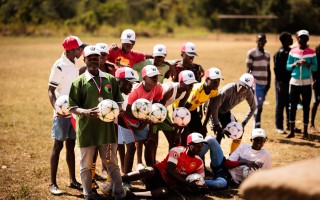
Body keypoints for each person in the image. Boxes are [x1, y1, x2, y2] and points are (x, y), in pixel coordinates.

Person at [68, 46, 133, 200]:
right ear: (84, 60)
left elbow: (119, 101)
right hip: (87, 131)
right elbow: (72, 106)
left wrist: (117, 110)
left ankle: (119, 193)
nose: (93, 60)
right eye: (90, 58)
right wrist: (85, 112)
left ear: (100, 60)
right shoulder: (78, 82)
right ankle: (88, 194)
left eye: (96, 58)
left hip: (107, 131)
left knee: (112, 164)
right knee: (86, 165)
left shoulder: (110, 79)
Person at [121, 132, 207, 199]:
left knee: (163, 193)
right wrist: (188, 184)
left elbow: (200, 180)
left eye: (201, 146)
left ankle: (128, 195)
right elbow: (170, 171)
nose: (200, 148)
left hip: (166, 184)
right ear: (189, 145)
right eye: (197, 146)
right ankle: (119, 179)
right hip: (157, 173)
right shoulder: (177, 151)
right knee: (149, 171)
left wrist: (200, 186)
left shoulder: (199, 162)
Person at [48, 36, 83, 195]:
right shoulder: (59, 66)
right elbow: (50, 90)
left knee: (71, 145)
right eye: (78, 49)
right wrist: (57, 109)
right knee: (58, 146)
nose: (80, 51)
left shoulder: (74, 61)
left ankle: (72, 180)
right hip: (62, 114)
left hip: (73, 112)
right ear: (70, 50)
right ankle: (52, 183)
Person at [118, 65, 163, 188]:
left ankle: (150, 177)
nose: (155, 78)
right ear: (144, 77)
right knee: (131, 147)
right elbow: (127, 111)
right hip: (127, 121)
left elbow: (157, 103)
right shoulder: (135, 90)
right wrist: (141, 120)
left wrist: (154, 117)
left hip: (143, 120)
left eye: (156, 76)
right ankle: (126, 180)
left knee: (149, 143)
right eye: (152, 76)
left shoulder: (158, 87)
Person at [203, 73, 256, 154]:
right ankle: (216, 160)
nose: (241, 88)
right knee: (219, 133)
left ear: (249, 89)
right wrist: (217, 125)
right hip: (212, 110)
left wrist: (243, 123)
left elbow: (253, 108)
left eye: (245, 87)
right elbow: (214, 107)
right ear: (238, 82)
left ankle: (232, 157)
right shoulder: (229, 89)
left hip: (225, 112)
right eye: (241, 84)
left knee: (239, 133)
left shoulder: (248, 93)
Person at [202, 128, 271, 189]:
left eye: (261, 139)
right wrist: (244, 161)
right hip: (223, 167)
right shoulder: (243, 147)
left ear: (264, 140)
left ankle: (196, 182)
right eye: (256, 139)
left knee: (219, 184)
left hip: (228, 178)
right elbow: (227, 164)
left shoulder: (266, 155)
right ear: (251, 139)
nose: (259, 142)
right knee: (210, 139)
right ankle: (192, 160)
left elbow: (265, 176)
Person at [176, 67, 223, 146]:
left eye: (218, 80)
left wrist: (204, 125)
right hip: (181, 109)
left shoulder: (214, 90)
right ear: (207, 79)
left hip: (192, 110)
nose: (217, 83)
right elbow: (186, 107)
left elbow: (210, 107)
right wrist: (183, 125)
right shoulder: (197, 91)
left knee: (201, 133)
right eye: (214, 80)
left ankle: (198, 157)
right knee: (185, 133)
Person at [286, 30, 318, 139]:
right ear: (297, 38)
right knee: (292, 107)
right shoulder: (292, 51)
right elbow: (288, 67)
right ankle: (291, 131)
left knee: (306, 107)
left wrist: (307, 64)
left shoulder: (312, 52)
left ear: (307, 39)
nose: (302, 40)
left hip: (306, 83)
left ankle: (305, 132)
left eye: (304, 38)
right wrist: (295, 64)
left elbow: (315, 67)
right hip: (294, 82)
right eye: (300, 37)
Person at [115, 67, 139, 173]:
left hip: (118, 125)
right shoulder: (111, 94)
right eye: (129, 83)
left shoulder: (125, 95)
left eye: (133, 83)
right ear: (119, 82)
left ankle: (122, 177)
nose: (131, 87)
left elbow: (122, 115)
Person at [246, 33, 271, 128]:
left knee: (259, 106)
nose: (261, 42)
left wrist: (269, 83)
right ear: (256, 41)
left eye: (263, 40)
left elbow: (268, 70)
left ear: (266, 42)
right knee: (258, 106)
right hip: (255, 83)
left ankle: (256, 124)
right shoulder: (251, 53)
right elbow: (249, 69)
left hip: (264, 83)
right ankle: (256, 128)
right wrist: (249, 83)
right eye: (259, 40)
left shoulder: (267, 54)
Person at [273, 32, 294, 134]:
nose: (292, 39)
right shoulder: (280, 53)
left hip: (290, 82)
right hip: (281, 83)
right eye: (290, 38)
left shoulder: (291, 51)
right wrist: (280, 83)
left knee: (289, 103)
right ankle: (279, 126)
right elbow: (276, 69)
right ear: (284, 40)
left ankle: (290, 125)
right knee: (280, 104)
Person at [310, 44, 320, 133]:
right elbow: (313, 67)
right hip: (317, 81)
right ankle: (311, 124)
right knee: (316, 101)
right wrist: (313, 80)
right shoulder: (317, 49)